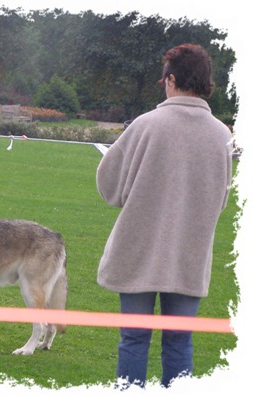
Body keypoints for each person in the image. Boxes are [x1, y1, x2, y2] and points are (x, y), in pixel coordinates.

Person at [96, 44, 233, 389]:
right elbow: (221, 198)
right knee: (179, 342)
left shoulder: (146, 125)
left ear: (171, 79)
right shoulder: (221, 136)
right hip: (189, 252)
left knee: (133, 339)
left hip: (138, 249)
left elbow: (108, 184)